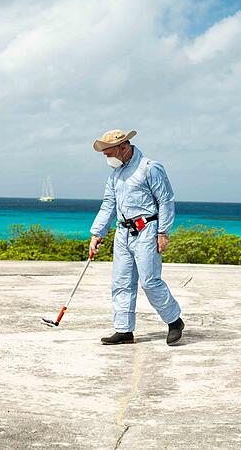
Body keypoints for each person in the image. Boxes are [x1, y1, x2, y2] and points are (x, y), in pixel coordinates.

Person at [89, 129, 184, 346]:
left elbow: (166, 200)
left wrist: (163, 232)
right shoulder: (115, 175)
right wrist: (97, 233)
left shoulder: (150, 168)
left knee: (150, 281)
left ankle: (174, 321)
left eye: (108, 153)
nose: (106, 157)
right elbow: (108, 204)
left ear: (123, 147)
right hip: (122, 232)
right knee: (121, 282)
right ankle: (123, 331)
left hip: (147, 230)